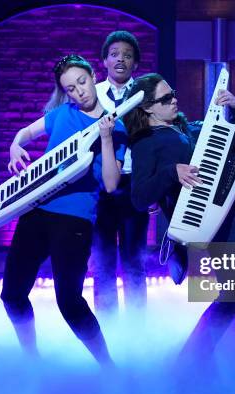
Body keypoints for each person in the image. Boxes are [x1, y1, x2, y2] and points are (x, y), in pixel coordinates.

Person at [124, 73, 235, 362]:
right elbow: (140, 197)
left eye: (173, 93)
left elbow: (229, 144)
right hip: (217, 219)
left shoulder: (184, 126)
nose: (175, 100)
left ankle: (231, 350)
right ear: (147, 108)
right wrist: (172, 172)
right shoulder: (146, 143)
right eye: (166, 98)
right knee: (234, 294)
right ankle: (192, 362)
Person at [1, 55, 127, 368]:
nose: (79, 92)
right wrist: (15, 146)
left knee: (69, 302)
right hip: (36, 211)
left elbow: (111, 184)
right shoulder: (61, 114)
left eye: (82, 82)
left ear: (93, 75)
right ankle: (31, 360)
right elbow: (25, 134)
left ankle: (108, 368)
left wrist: (107, 137)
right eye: (70, 88)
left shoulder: (117, 124)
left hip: (75, 220)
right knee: (12, 295)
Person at [93, 31, 149, 314]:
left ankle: (138, 331)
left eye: (127, 55)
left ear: (135, 64)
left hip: (134, 185)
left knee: (134, 260)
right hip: (100, 188)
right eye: (115, 53)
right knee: (102, 262)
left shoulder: (146, 96)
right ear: (104, 60)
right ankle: (106, 327)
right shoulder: (92, 95)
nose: (120, 59)